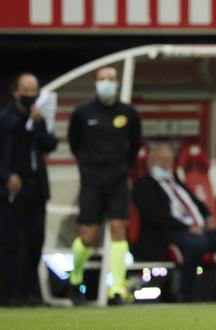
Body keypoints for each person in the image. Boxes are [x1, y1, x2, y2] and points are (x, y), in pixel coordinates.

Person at [132, 144, 216, 301]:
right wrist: (187, 227)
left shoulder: (175, 180)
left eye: (169, 160)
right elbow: (155, 216)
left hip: (198, 230)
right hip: (170, 231)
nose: (166, 164)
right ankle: (186, 292)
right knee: (196, 243)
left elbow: (197, 203)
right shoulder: (144, 185)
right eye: (161, 160)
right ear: (151, 161)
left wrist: (208, 218)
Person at [67, 66, 142, 305]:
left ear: (118, 83)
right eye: (102, 79)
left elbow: (135, 145)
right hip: (91, 182)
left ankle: (117, 289)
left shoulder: (128, 113)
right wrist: (90, 168)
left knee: (119, 230)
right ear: (95, 83)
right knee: (87, 236)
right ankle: (75, 279)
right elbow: (74, 144)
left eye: (110, 79)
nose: (106, 83)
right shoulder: (82, 112)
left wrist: (120, 169)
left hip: (118, 181)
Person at [0, 72, 58, 306]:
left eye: (34, 90)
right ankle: (10, 294)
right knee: (11, 243)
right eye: (26, 90)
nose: (30, 95)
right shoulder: (5, 119)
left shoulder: (39, 118)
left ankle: (32, 293)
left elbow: (49, 145)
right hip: (11, 191)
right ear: (16, 92)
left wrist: (40, 124)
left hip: (36, 189)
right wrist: (6, 176)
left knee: (35, 242)